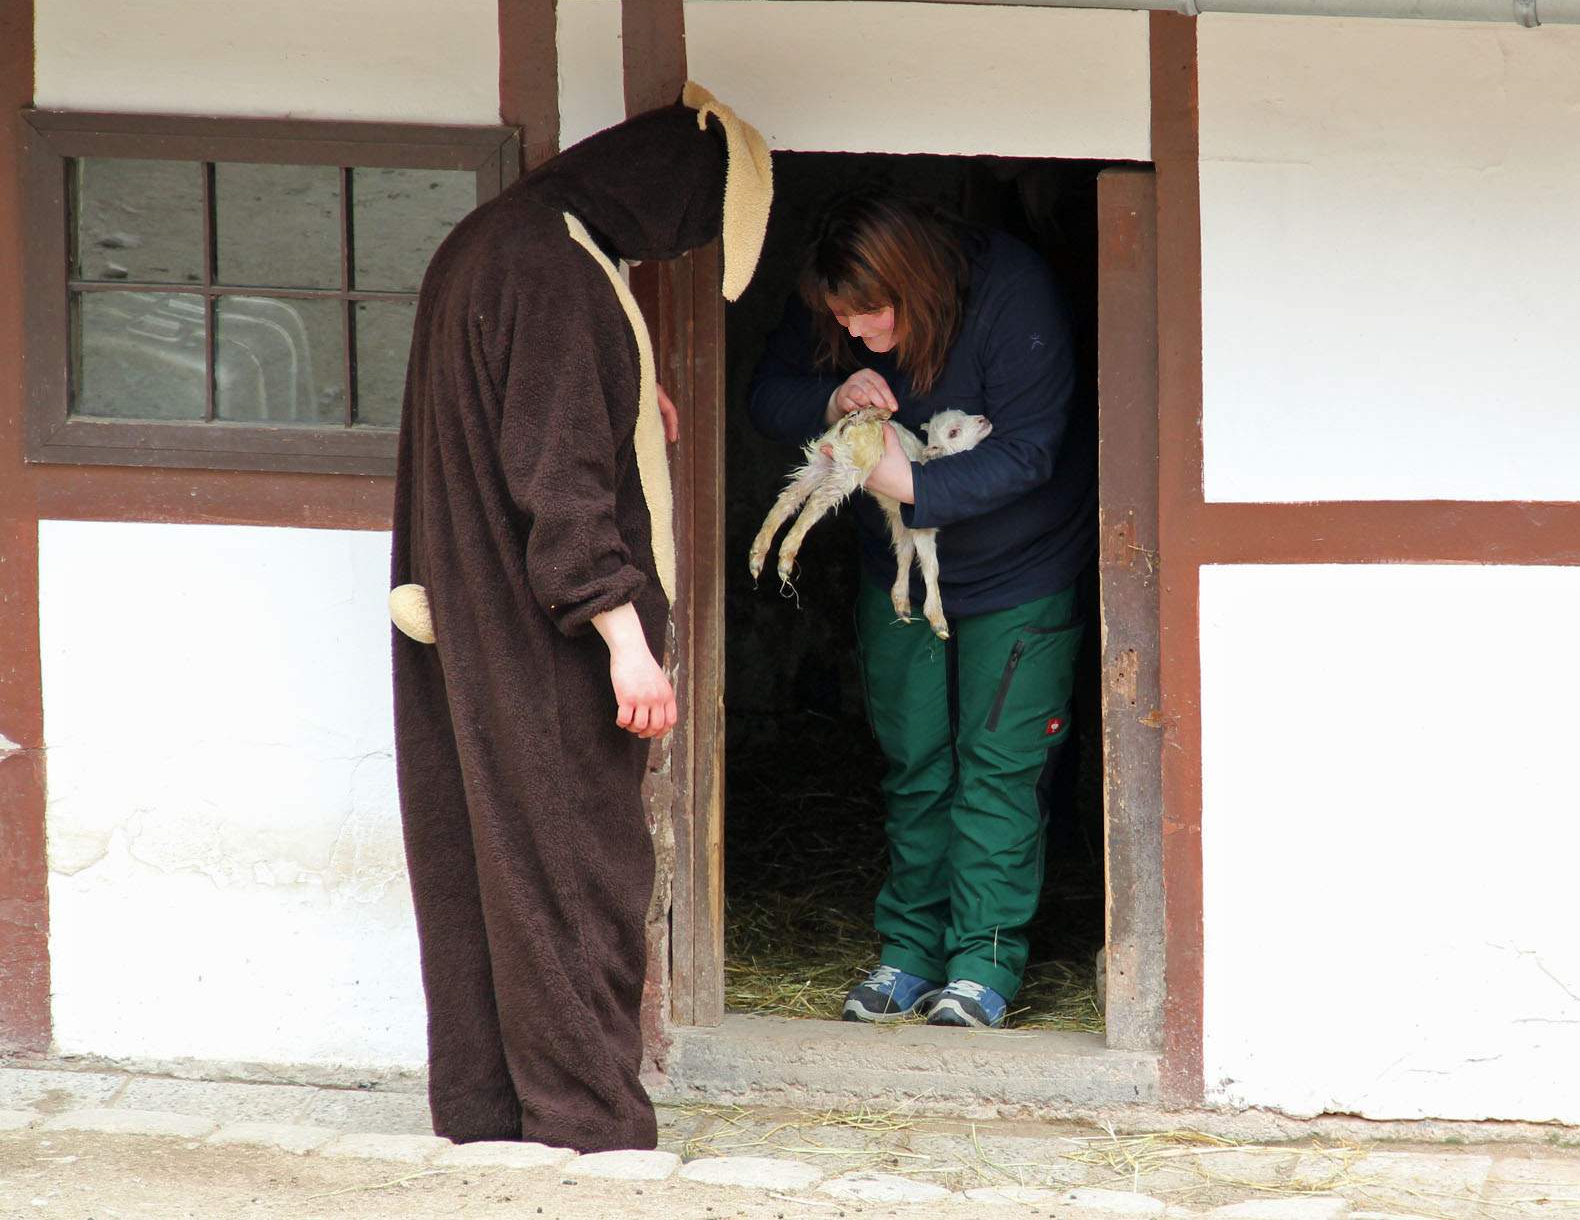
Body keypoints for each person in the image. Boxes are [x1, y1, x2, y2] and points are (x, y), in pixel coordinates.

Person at [388, 86, 770, 1151]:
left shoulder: (496, 240)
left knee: (490, 867)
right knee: (572, 878)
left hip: (476, 621)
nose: (680, 247)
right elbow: (558, 486)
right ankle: (587, 1128)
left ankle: (489, 1114)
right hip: (539, 640)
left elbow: (512, 408)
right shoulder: (551, 269)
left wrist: (624, 388)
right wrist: (624, 641)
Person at [748, 191, 1096, 1029]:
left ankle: (982, 963)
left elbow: (1032, 449)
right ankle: (907, 953)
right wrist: (833, 399)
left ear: (916, 284)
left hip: (1022, 571)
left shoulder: (1014, 293)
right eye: (844, 320)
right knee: (914, 762)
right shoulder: (840, 313)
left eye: (872, 318)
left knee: (1000, 767)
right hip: (899, 573)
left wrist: (914, 487)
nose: (861, 336)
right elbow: (767, 396)